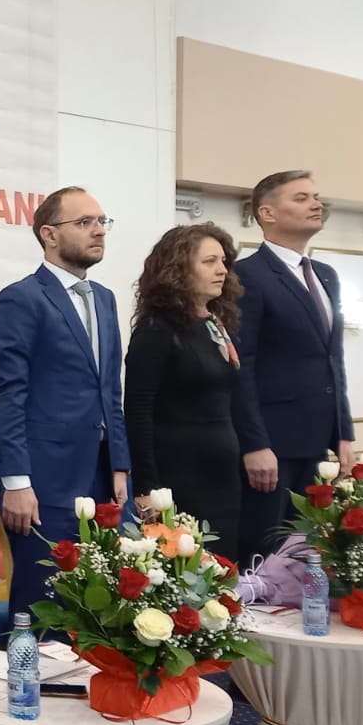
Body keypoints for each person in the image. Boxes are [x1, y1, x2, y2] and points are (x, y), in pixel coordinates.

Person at [0, 186, 130, 618]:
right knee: (45, 605)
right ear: (49, 234)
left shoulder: (104, 298)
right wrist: (16, 481)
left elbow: (110, 390)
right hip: (44, 481)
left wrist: (120, 464)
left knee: (100, 607)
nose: (98, 231)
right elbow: (8, 395)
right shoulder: (22, 298)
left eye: (102, 221)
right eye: (85, 222)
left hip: (101, 476)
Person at [231, 170, 354, 565]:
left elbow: (334, 361)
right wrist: (254, 443)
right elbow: (241, 367)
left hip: (318, 444)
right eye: (301, 198)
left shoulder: (326, 275)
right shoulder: (247, 276)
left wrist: (344, 434)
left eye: (316, 197)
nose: (316, 204)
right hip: (272, 445)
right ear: (267, 213)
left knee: (309, 553)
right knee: (265, 555)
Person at [124, 223, 245, 557]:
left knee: (224, 568)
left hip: (222, 474)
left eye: (223, 261)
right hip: (179, 475)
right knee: (189, 572)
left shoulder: (214, 322)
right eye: (209, 262)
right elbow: (137, 411)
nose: (222, 270)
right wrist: (146, 488)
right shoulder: (156, 329)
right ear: (178, 268)